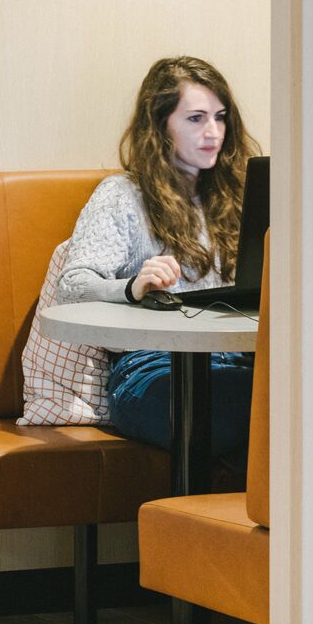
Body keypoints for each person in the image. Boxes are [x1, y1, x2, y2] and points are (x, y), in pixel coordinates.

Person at [51, 55, 258, 468]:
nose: (214, 132)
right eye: (196, 119)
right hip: (151, 369)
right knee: (265, 407)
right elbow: (71, 287)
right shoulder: (123, 195)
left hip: (237, 359)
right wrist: (132, 287)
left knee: (307, 393)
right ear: (160, 125)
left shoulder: (238, 195)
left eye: (220, 118)